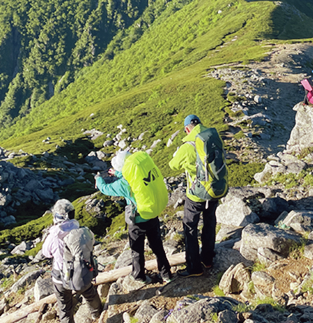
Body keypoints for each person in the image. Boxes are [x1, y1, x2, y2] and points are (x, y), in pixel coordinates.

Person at [95, 150, 172, 284]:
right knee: (157, 246)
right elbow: (129, 176)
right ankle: (166, 273)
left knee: (137, 250)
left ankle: (139, 275)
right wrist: (117, 173)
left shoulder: (124, 184)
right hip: (152, 214)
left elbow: (107, 189)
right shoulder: (142, 171)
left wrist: (99, 180)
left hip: (138, 220)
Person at [169, 114, 228, 277]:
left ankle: (194, 268)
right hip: (214, 189)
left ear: (187, 129)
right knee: (210, 221)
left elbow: (172, 165)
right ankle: (208, 259)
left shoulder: (187, 146)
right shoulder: (212, 137)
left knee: (190, 227)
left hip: (196, 194)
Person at [41, 198, 103, 323]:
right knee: (89, 291)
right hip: (80, 271)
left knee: (65, 310)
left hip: (61, 278)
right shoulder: (78, 228)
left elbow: (46, 253)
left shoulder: (54, 235)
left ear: (58, 216)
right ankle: (98, 313)